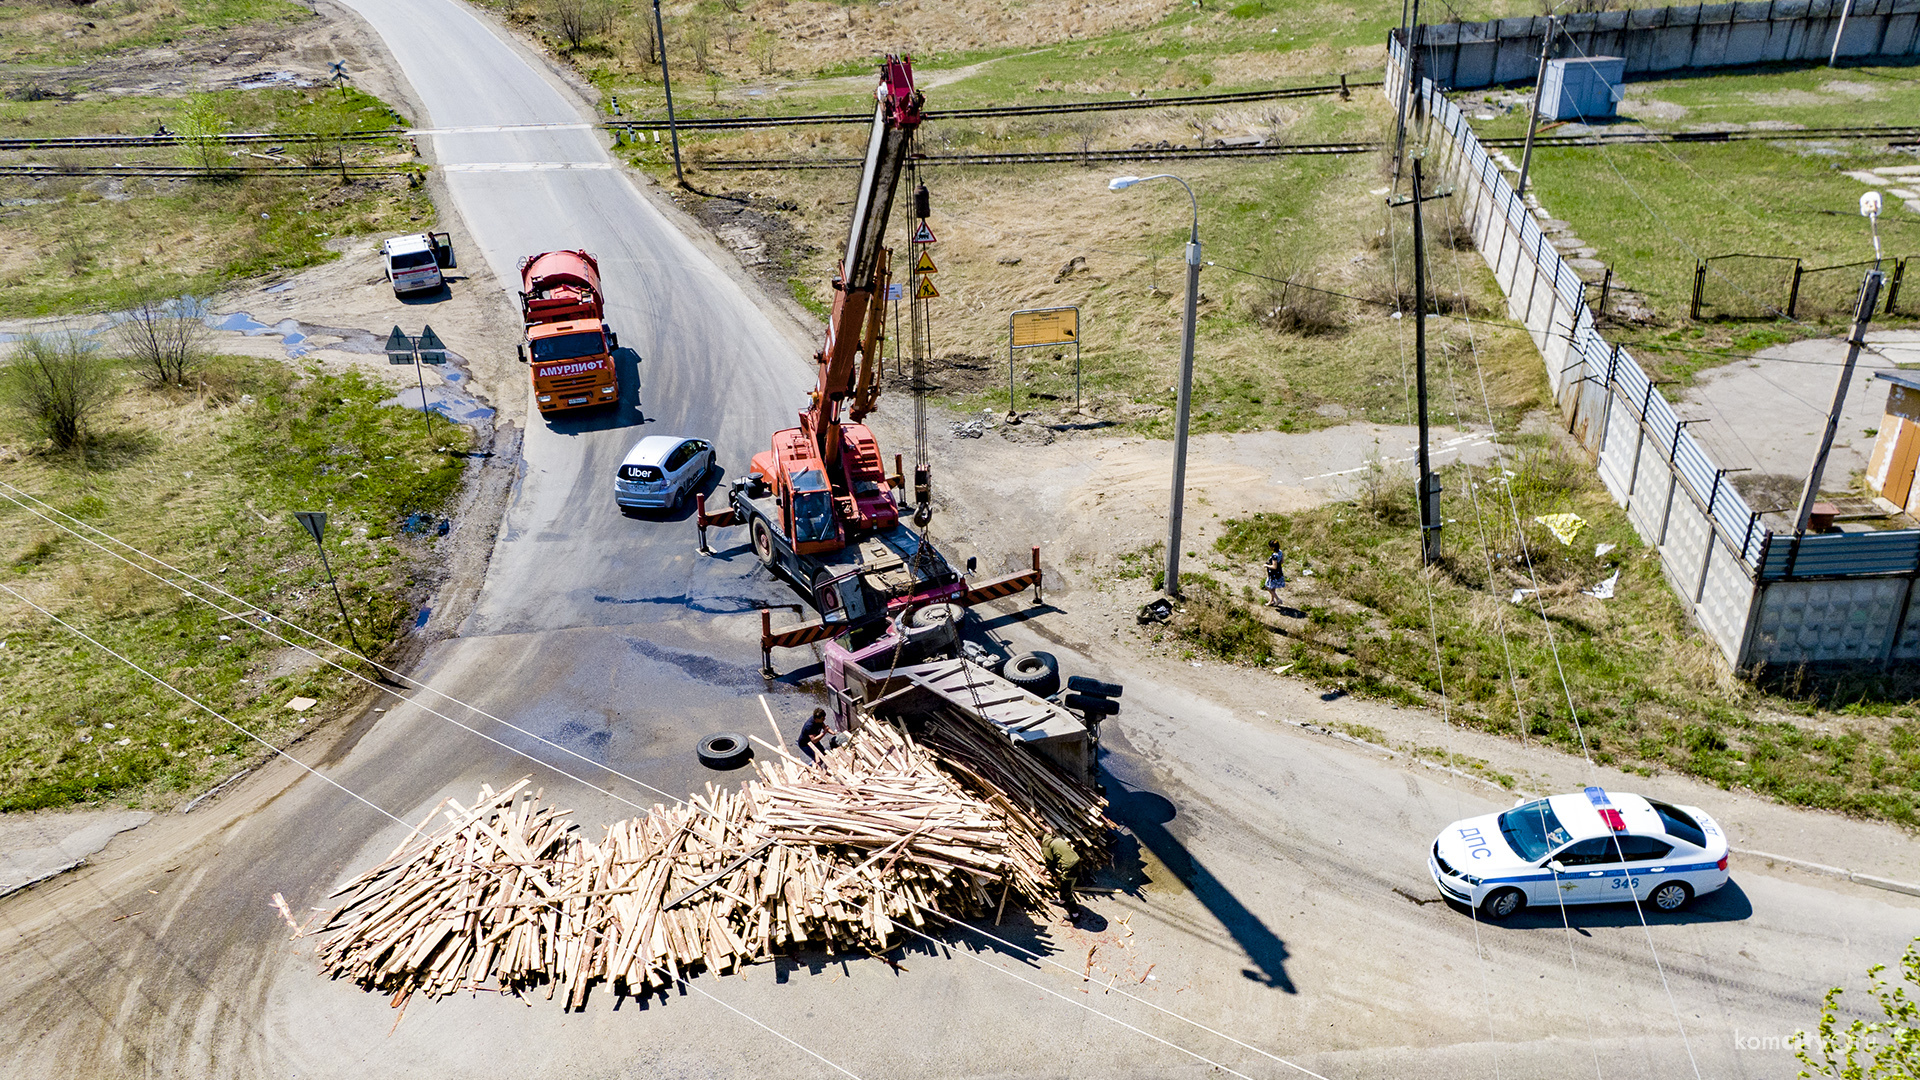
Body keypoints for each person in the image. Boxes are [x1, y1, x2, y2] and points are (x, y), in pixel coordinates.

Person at [1043, 833, 1083, 920]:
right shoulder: (1057, 840)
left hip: (1069, 867)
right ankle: (1062, 901)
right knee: (1064, 884)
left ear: (1039, 840)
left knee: (1067, 891)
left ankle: (1075, 914)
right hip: (1076, 861)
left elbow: (1050, 862)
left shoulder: (1046, 846)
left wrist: (1054, 875)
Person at [1263, 540, 1287, 607]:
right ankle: (1271, 601)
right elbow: (1282, 561)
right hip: (1279, 573)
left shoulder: (1274, 556)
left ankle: (1278, 599)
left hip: (1273, 574)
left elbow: (1274, 566)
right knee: (1273, 588)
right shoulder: (1280, 552)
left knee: (1267, 586)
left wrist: (1267, 565)